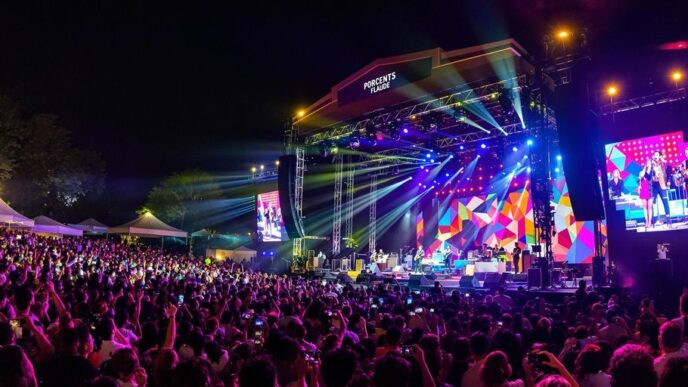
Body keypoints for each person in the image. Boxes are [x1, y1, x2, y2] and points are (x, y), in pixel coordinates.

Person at [650, 151, 672, 227]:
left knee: (665, 202)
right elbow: (648, 174)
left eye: (657, 155)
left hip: (662, 185)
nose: (655, 156)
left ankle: (668, 220)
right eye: (654, 155)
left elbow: (669, 171)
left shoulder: (664, 164)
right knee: (651, 203)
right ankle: (652, 220)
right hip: (654, 186)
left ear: (660, 156)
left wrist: (668, 181)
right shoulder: (651, 165)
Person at [638, 160, 653, 230]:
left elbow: (650, 178)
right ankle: (646, 221)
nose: (648, 164)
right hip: (643, 189)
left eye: (649, 163)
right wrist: (645, 167)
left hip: (650, 189)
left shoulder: (653, 171)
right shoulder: (642, 171)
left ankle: (650, 222)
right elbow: (641, 175)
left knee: (650, 207)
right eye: (647, 163)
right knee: (645, 207)